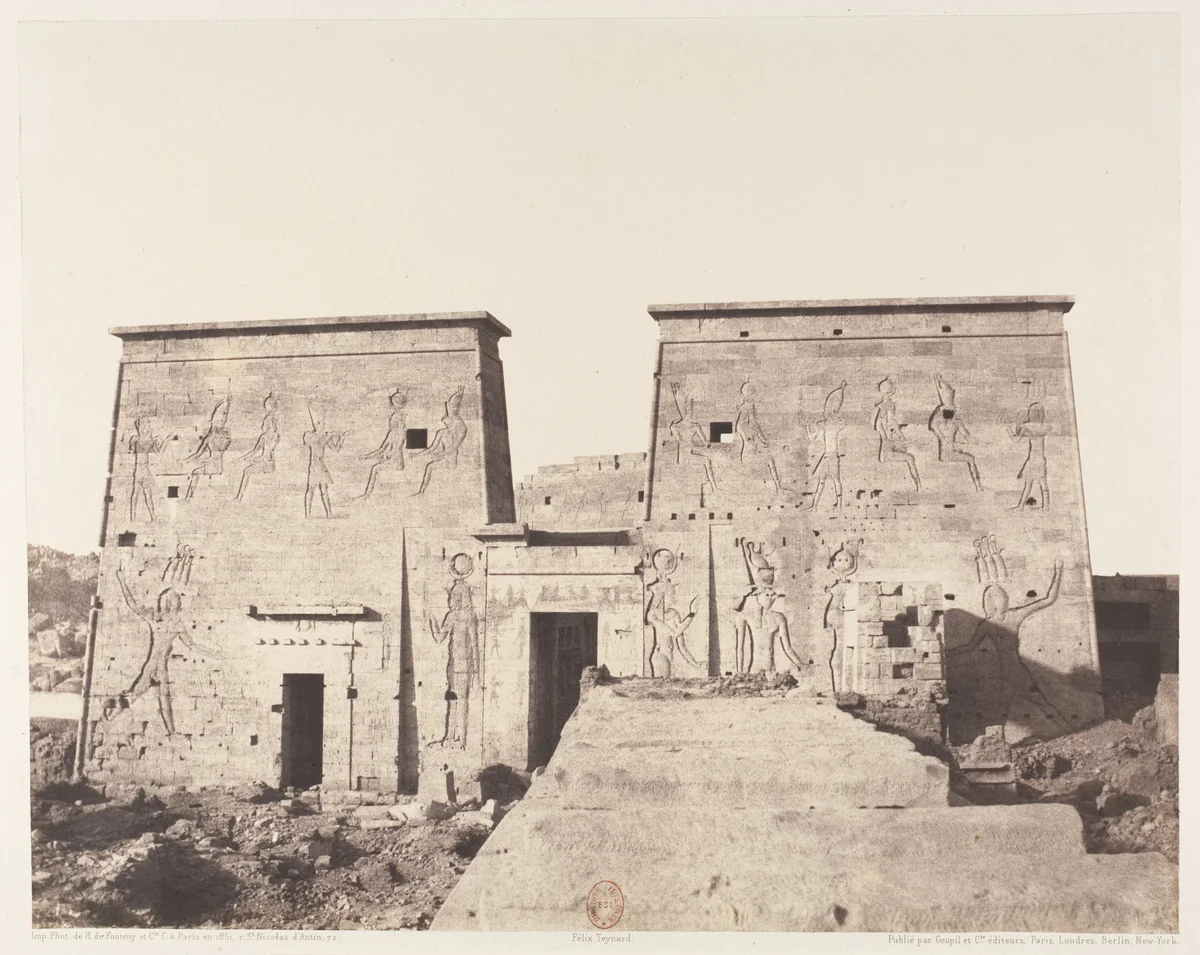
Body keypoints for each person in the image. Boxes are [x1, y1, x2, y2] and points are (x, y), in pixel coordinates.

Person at [111, 566, 219, 736]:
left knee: (163, 697)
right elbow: (133, 605)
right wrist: (122, 581)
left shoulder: (175, 624)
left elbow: (194, 646)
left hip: (160, 666)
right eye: (177, 601)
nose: (179, 603)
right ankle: (112, 716)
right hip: (154, 664)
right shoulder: (158, 619)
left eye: (179, 601)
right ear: (170, 603)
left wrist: (215, 654)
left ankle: (171, 731)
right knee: (141, 695)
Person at [428, 553, 480, 746]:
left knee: (463, 700)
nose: (451, 599)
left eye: (455, 596)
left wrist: (477, 672)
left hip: (464, 664)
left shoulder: (468, 616)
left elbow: (474, 644)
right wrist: (432, 621)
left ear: (462, 596)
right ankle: (449, 736)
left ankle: (463, 739)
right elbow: (440, 637)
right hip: (452, 663)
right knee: (452, 698)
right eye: (451, 595)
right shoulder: (451, 616)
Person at [928, 375, 981, 491]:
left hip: (951, 450)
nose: (950, 412)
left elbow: (966, 435)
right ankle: (978, 486)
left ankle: (978, 486)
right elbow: (933, 426)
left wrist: (973, 441)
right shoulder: (941, 422)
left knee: (967, 456)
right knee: (971, 459)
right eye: (948, 410)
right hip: (947, 454)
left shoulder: (955, 422)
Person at [415, 387, 468, 496]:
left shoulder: (459, 430)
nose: (446, 424)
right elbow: (432, 448)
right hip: (444, 457)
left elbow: (453, 448)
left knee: (430, 466)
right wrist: (416, 455)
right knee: (429, 466)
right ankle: (421, 492)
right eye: (445, 422)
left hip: (450, 461)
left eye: (447, 422)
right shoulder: (443, 432)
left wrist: (459, 396)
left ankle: (421, 492)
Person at [873, 377, 921, 490]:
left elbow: (900, 435)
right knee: (910, 458)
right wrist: (885, 436)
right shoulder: (884, 416)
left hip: (891, 444)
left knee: (908, 452)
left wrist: (906, 441)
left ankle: (918, 483)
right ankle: (919, 485)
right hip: (887, 450)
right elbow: (878, 424)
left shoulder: (892, 421)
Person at [234, 394, 280, 502]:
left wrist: (254, 460)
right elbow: (254, 452)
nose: (262, 426)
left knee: (247, 471)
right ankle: (239, 498)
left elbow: (268, 456)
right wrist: (241, 459)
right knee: (247, 467)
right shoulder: (264, 437)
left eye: (264, 424)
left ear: (268, 425)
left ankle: (239, 498)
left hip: (268, 465)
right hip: (264, 461)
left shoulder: (273, 438)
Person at [362, 389, 408, 498]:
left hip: (396, 462)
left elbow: (398, 447)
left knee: (375, 469)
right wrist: (367, 457)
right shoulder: (392, 433)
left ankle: (367, 494)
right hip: (390, 458)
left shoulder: (400, 433)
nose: (390, 421)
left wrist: (390, 454)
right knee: (375, 464)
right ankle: (367, 494)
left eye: (392, 420)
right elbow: (382, 449)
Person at [1008, 401, 1052, 509]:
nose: (1028, 415)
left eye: (1030, 412)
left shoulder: (1030, 427)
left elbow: (1016, 440)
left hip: (1034, 460)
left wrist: (1009, 429)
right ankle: (1042, 507)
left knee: (1033, 485)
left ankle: (1025, 507)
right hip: (1038, 459)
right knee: (1039, 485)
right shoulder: (1044, 427)